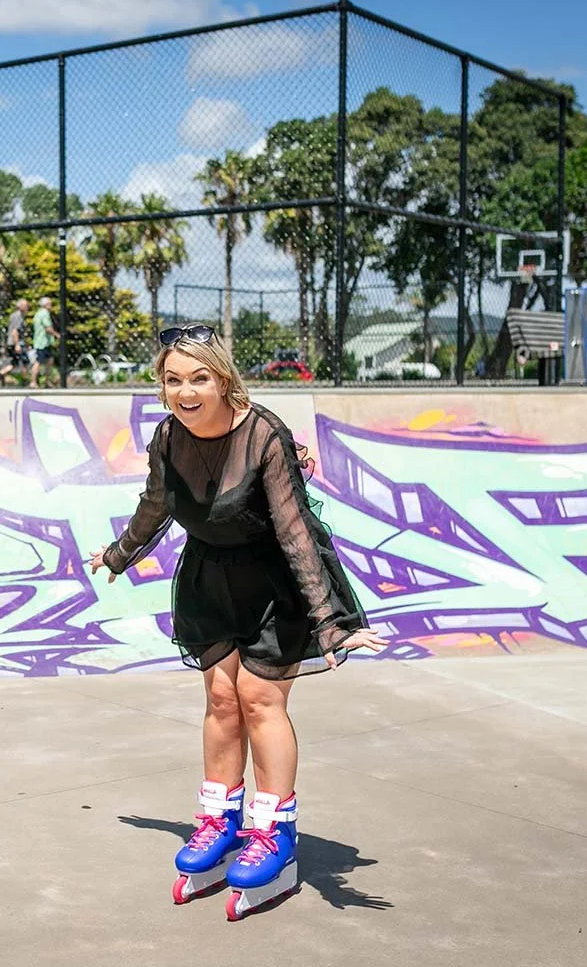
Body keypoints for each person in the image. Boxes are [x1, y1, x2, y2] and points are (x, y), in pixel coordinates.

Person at [90, 324, 387, 920]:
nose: (186, 391)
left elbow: (295, 529)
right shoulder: (168, 437)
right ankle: (218, 823)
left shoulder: (263, 433)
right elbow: (158, 504)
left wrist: (329, 619)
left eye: (199, 377)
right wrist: (119, 555)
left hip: (274, 581)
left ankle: (274, 831)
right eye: (173, 380)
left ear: (223, 378)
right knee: (221, 699)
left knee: (258, 700)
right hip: (208, 579)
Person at [0, 299, 29, 386]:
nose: (27, 307)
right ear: (20, 306)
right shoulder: (18, 316)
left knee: (14, 364)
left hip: (12, 342)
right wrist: (17, 344)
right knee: (25, 362)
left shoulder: (14, 315)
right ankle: (26, 382)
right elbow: (15, 331)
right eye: (26, 305)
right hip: (16, 343)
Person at [29, 297, 60, 389]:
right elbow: (48, 328)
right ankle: (33, 382)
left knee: (50, 360)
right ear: (45, 305)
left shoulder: (38, 313)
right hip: (42, 342)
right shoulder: (45, 313)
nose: (51, 306)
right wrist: (57, 335)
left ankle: (46, 380)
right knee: (38, 362)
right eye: (50, 304)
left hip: (42, 342)